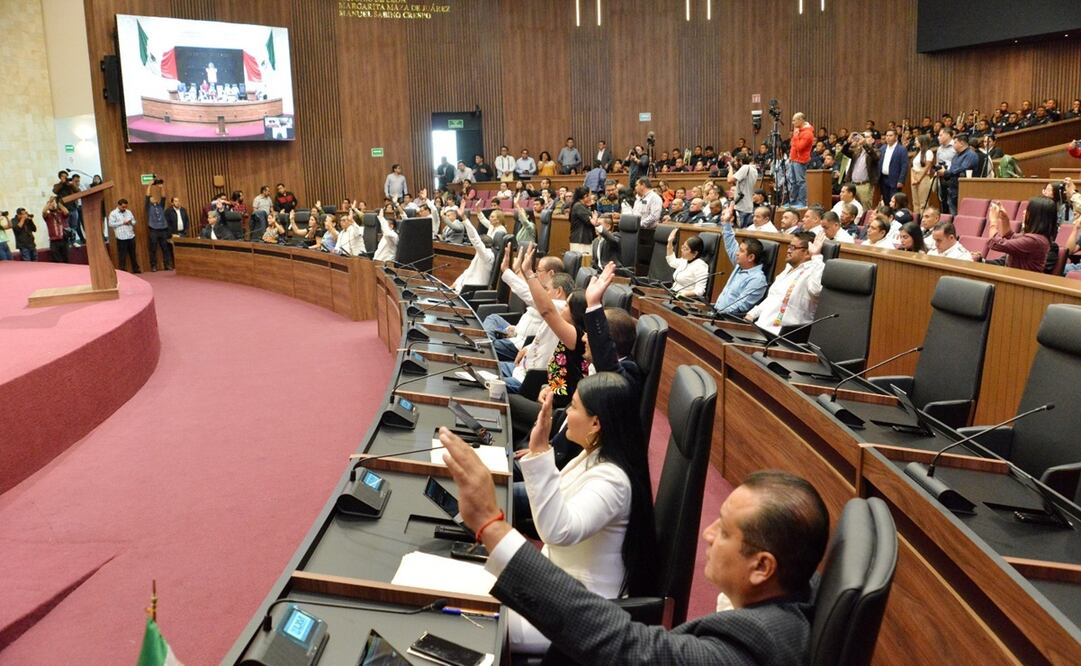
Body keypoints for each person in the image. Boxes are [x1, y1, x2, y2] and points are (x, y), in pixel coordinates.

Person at [438, 426, 830, 666]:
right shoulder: (791, 591)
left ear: (763, 567)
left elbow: (628, 647)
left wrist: (491, 527)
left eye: (725, 532)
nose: (708, 534)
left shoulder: (749, 649)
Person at [502, 371, 657, 654]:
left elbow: (557, 531)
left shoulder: (613, 480)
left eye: (573, 406)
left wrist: (538, 451)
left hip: (582, 615)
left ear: (596, 423)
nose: (566, 412)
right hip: (557, 590)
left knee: (477, 614)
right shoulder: (593, 454)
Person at [745, 231, 824, 335]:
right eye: (789, 246)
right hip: (761, 328)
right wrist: (752, 314)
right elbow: (773, 297)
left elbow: (816, 290)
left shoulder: (813, 271)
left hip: (783, 336)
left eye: (793, 247)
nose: (788, 250)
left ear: (807, 252)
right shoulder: (788, 269)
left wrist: (816, 256)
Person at [714, 205, 768, 316]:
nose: (737, 253)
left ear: (751, 257)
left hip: (728, 319)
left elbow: (740, 306)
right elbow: (730, 243)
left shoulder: (757, 279)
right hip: (717, 312)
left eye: (741, 251)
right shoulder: (741, 265)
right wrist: (726, 222)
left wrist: (717, 314)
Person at [984, 197, 1054, 273]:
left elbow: (994, 243)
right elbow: (1010, 236)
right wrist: (1004, 218)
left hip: (1022, 282)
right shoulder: (1036, 237)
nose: (1024, 212)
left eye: (1028, 210)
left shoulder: (1035, 240)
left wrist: (993, 220)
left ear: (1036, 216)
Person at [936, 133, 979, 216]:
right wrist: (945, 173)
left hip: (964, 190)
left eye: (955, 142)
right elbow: (952, 169)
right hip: (952, 189)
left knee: (963, 216)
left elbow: (963, 168)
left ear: (962, 143)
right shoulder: (956, 156)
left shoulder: (971, 155)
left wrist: (946, 172)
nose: (953, 145)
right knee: (953, 216)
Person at [452, 215, 494, 292]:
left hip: (473, 290)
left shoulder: (487, 256)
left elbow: (476, 240)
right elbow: (467, 272)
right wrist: (456, 283)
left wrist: (465, 219)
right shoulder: (480, 254)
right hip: (464, 287)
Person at [665, 233, 709, 298]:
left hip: (684, 299)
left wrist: (684, 294)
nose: (682, 250)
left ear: (695, 253)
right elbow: (671, 261)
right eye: (683, 247)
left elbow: (700, 290)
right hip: (672, 293)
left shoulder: (701, 266)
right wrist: (670, 242)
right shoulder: (684, 260)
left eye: (686, 249)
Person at [787, 112, 814, 208]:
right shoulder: (798, 131)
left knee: (801, 181)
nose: (792, 122)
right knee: (793, 181)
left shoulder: (807, 133)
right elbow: (793, 146)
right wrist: (791, 157)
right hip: (794, 159)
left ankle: (802, 202)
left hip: (800, 160)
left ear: (800, 120)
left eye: (794, 120)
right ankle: (793, 201)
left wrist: (795, 136)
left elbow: (799, 147)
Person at [878, 129, 909, 205]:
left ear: (896, 137)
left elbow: (904, 166)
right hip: (883, 179)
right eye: (887, 136)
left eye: (890, 135)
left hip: (895, 180)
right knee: (886, 200)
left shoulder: (902, 149)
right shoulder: (882, 148)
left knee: (894, 201)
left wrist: (901, 180)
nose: (888, 137)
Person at [727, 155, 759, 227]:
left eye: (735, 161)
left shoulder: (745, 167)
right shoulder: (754, 169)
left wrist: (730, 169)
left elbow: (729, 180)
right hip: (747, 206)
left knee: (739, 233)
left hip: (741, 207)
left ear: (740, 161)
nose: (734, 163)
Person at [108, 198, 139, 273]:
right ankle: (122, 271)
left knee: (133, 254)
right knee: (122, 255)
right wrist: (122, 222)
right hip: (121, 237)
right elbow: (110, 224)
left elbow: (134, 221)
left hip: (131, 235)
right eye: (123, 207)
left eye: (126, 207)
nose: (124, 208)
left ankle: (136, 269)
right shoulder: (113, 213)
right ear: (118, 205)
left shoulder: (129, 212)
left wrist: (131, 222)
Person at [145, 184, 170, 271]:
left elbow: (163, 196)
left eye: (154, 197)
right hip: (153, 230)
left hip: (163, 230)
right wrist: (150, 185)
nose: (154, 198)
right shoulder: (148, 207)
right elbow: (147, 196)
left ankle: (167, 265)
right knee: (153, 249)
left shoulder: (160, 206)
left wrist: (161, 187)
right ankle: (153, 266)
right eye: (152, 198)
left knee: (165, 248)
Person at [909, 134, 936, 215]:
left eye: (917, 140)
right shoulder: (917, 153)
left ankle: (923, 222)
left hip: (923, 177)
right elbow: (912, 167)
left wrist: (918, 179)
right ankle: (916, 222)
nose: (915, 142)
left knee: (923, 203)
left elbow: (927, 167)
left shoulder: (928, 152)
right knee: (915, 202)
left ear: (922, 141)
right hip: (914, 176)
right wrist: (913, 178)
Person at [568, 187, 596, 255]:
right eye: (590, 194)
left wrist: (592, 206)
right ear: (585, 196)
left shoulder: (582, 206)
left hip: (583, 240)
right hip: (580, 240)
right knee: (583, 263)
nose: (591, 197)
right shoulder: (578, 206)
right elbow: (591, 220)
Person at [42, 196, 69, 263]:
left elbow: (66, 212)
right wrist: (49, 202)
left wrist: (58, 203)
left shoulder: (60, 213)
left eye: (54, 203)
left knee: (66, 258)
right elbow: (44, 211)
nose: (53, 205)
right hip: (54, 241)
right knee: (57, 260)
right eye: (51, 204)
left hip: (63, 239)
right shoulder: (48, 216)